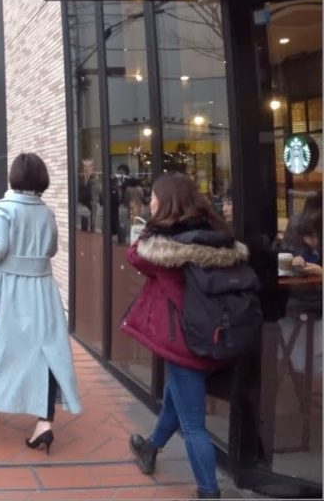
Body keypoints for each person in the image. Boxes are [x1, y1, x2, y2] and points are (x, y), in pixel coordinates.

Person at [123, 173, 249, 500]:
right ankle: (151, 447)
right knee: (177, 396)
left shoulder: (165, 247)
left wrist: (151, 225)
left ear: (165, 202)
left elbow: (134, 255)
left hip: (186, 342)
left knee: (193, 424)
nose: (149, 200)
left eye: (153, 196)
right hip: (220, 335)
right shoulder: (219, 236)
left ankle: (209, 491)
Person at [0, 153, 82, 454]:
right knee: (46, 350)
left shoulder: (4, 210)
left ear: (13, 177)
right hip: (43, 289)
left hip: (10, 289)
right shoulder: (46, 212)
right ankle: (44, 421)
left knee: (1, 347)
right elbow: (50, 249)